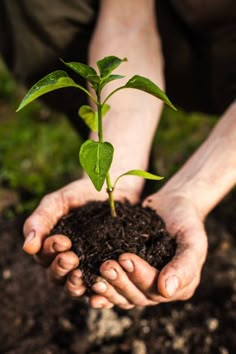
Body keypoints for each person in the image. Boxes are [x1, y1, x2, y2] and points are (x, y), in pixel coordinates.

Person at [1, 0, 235, 309]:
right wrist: (119, 160)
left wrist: (194, 192)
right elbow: (128, 21)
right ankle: (137, 186)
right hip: (179, 33)